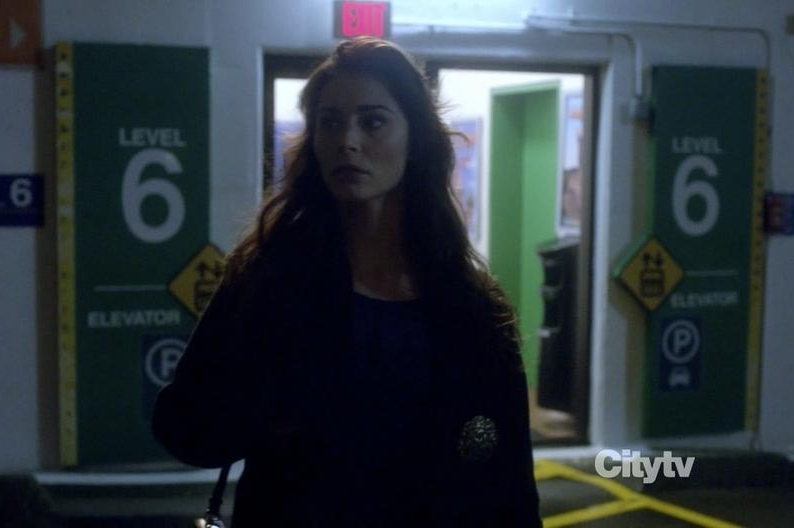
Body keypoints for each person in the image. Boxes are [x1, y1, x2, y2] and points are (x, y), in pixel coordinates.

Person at [152, 37, 541, 527]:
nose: (347, 141)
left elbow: (511, 486)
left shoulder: (471, 303)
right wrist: (271, 407)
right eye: (330, 123)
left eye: (372, 121)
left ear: (415, 138)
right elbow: (182, 425)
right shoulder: (270, 282)